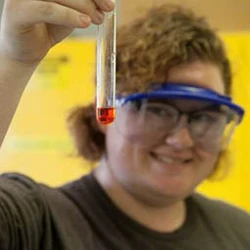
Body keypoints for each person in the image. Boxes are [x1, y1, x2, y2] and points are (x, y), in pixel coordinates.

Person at [0, 0, 249, 249]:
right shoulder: (38, 224)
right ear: (104, 110)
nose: (181, 140)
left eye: (205, 117)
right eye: (157, 110)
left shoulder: (241, 232)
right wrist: (13, 61)